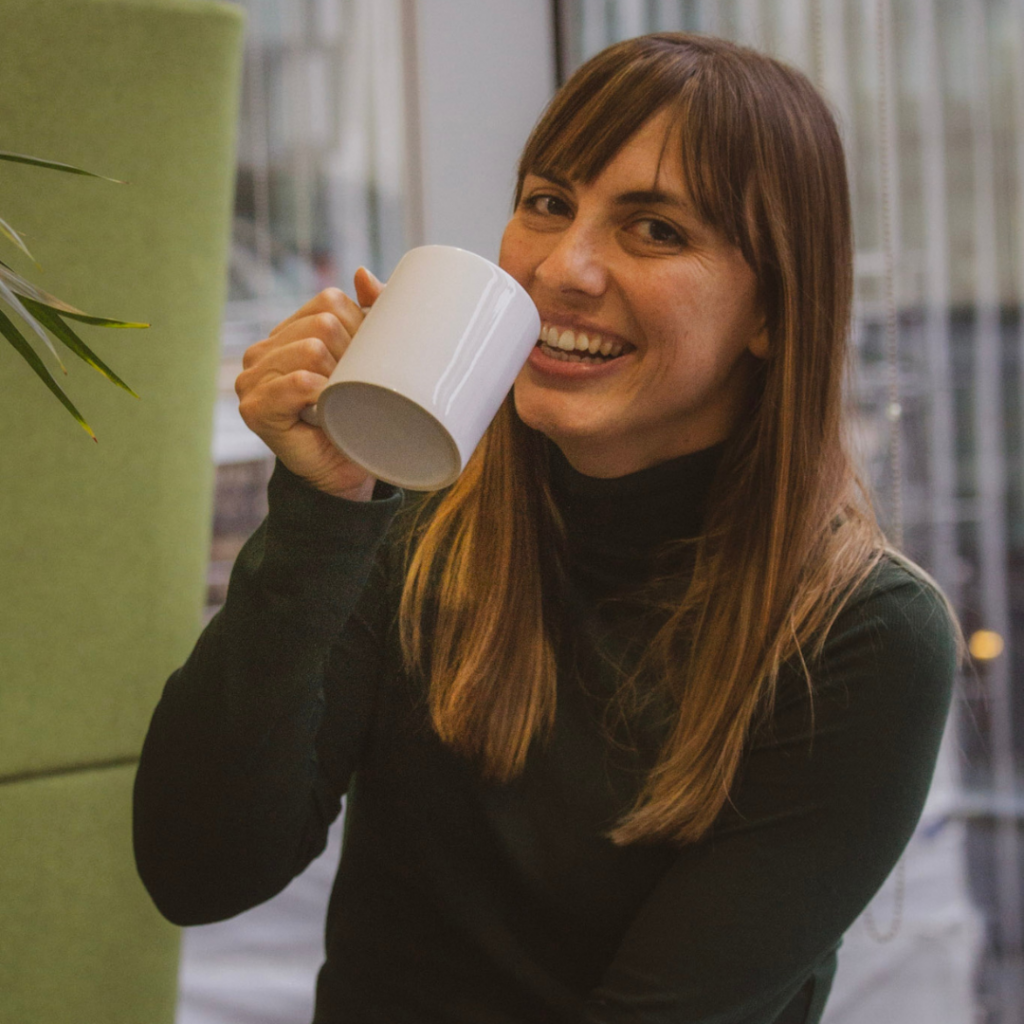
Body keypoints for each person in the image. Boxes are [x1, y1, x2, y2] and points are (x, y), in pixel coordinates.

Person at [133, 32, 958, 1024]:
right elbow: (198, 867)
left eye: (653, 230)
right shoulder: (417, 525)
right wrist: (322, 506)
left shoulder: (862, 636)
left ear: (772, 313)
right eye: (548, 203)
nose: (562, 268)